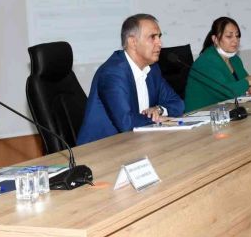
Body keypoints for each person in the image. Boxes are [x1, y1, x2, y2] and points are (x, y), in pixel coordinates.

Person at [77, 14, 184, 144]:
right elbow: (126, 123)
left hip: (136, 142)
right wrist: (155, 119)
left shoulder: (152, 69)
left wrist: (159, 110)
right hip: (100, 148)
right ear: (133, 42)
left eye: (159, 37)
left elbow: (178, 103)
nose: (159, 43)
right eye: (152, 37)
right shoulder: (112, 73)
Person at [184, 17, 251, 112]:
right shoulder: (206, 61)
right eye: (229, 36)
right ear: (215, 39)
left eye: (237, 36)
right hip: (201, 114)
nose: (235, 40)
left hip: (224, 111)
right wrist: (247, 83)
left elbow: (248, 81)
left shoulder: (235, 59)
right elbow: (225, 91)